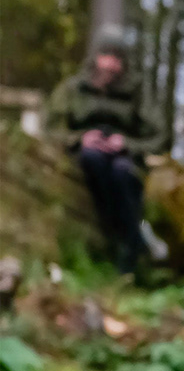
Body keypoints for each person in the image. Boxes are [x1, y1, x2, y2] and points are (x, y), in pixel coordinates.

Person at [45, 25, 168, 280]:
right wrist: (80, 139)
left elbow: (160, 136)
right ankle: (128, 237)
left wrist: (127, 144)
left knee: (122, 172)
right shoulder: (73, 89)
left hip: (125, 160)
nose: (111, 64)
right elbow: (49, 128)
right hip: (87, 159)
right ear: (95, 57)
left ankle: (131, 246)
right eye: (106, 56)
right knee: (93, 159)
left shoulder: (136, 92)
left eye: (117, 58)